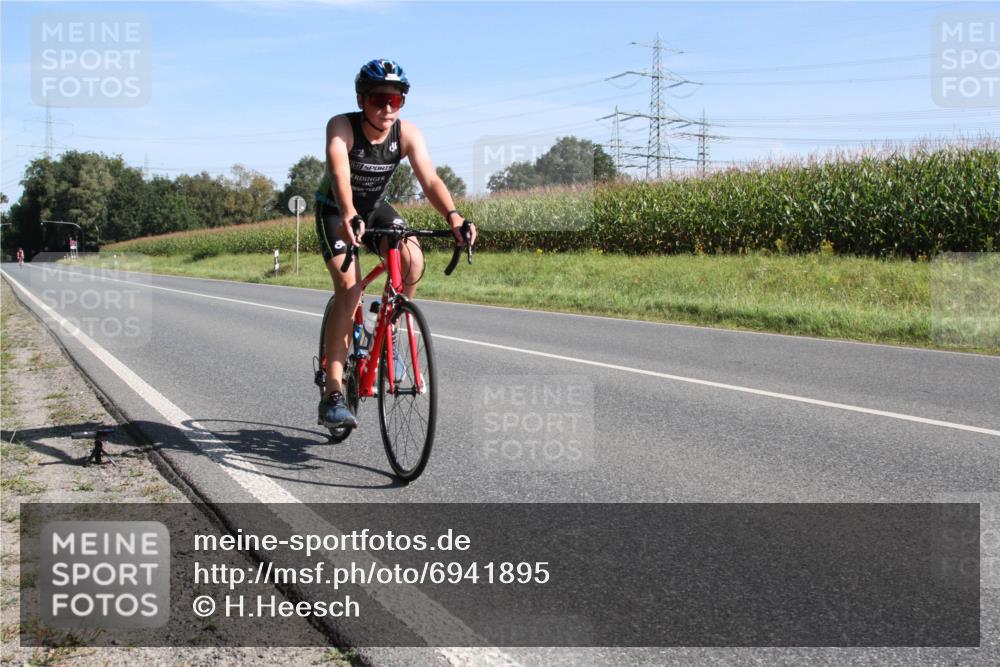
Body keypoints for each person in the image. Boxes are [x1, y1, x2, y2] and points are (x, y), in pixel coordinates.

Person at [315, 58, 476, 429]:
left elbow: (430, 180)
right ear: (361, 99)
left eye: (396, 100)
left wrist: (454, 216)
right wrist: (350, 211)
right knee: (349, 289)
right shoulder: (342, 126)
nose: (387, 108)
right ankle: (334, 393)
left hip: (373, 209)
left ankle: (389, 329)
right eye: (378, 99)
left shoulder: (407, 134)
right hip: (337, 211)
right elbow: (339, 170)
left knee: (413, 259)